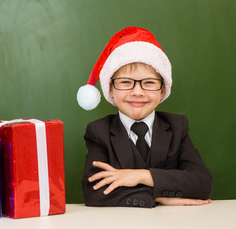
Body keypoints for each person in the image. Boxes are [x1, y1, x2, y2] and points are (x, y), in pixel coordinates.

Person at [76, 27, 213, 208]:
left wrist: (142, 175)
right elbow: (94, 193)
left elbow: (201, 183)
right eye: (125, 82)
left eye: (149, 83)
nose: (138, 92)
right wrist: (156, 196)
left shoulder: (177, 127)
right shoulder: (98, 132)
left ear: (163, 89)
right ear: (110, 89)